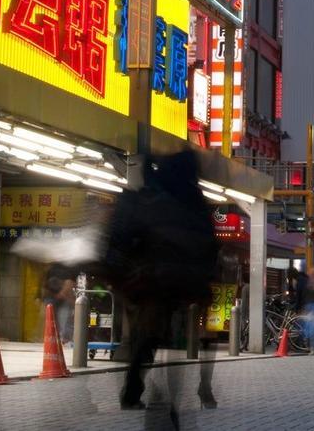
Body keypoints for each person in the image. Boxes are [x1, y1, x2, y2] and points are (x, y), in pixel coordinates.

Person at [106, 152, 220, 424]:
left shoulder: (150, 196)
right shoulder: (195, 202)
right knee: (184, 344)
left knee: (148, 338)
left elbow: (125, 237)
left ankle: (137, 392)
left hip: (150, 284)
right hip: (186, 289)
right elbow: (209, 246)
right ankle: (182, 399)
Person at [43, 263, 77, 343]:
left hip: (61, 297)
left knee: (62, 319)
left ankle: (62, 338)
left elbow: (69, 282)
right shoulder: (56, 268)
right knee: (60, 319)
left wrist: (62, 294)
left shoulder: (64, 268)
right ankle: (59, 338)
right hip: (56, 296)